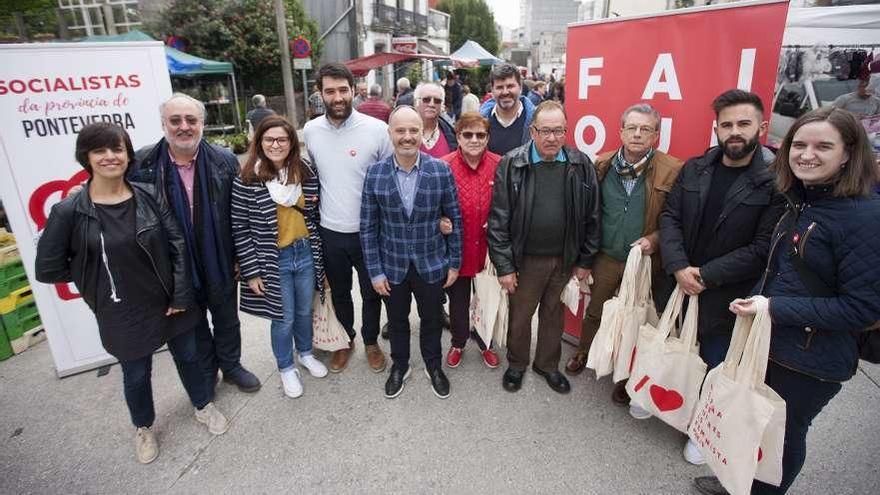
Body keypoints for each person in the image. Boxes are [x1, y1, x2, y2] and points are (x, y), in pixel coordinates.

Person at [693, 108, 880, 495]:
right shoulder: (803, 202)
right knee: (754, 427)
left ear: (848, 153)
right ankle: (738, 483)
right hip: (773, 345)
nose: (807, 154)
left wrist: (772, 307)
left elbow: (863, 309)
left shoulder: (865, 218)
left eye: (823, 146)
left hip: (811, 360)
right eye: (799, 144)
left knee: (781, 437)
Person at [35, 123, 229, 465]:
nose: (110, 156)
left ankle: (202, 405)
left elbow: (177, 245)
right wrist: (97, 284)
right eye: (100, 150)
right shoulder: (69, 211)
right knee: (136, 374)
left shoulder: (148, 195)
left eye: (117, 149)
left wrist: (180, 295)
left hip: (170, 301)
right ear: (86, 157)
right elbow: (49, 268)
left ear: (128, 155)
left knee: (189, 357)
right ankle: (143, 427)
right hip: (121, 311)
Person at [659, 89, 784, 465]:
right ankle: (664, 403)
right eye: (726, 124)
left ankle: (702, 429)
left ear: (761, 127)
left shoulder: (775, 182)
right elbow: (669, 218)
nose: (734, 131)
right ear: (716, 128)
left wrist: (706, 275)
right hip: (679, 281)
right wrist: (680, 266)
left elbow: (764, 247)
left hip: (726, 293)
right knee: (676, 347)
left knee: (717, 365)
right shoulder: (695, 168)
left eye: (743, 123)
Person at [128, 93, 262, 394]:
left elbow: (237, 213)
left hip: (219, 255)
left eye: (191, 120)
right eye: (175, 120)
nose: (184, 126)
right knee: (192, 323)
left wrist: (241, 256)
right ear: (164, 124)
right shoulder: (142, 163)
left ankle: (231, 366)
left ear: (203, 123)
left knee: (227, 318)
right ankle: (206, 371)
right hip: (174, 262)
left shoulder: (224, 160)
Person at [564, 104, 683, 406]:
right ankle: (584, 351)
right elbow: (588, 213)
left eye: (645, 129)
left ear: (656, 134)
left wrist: (654, 241)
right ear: (621, 131)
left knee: (640, 321)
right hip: (607, 256)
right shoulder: (601, 164)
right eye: (632, 128)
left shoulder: (673, 169)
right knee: (596, 312)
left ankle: (628, 376)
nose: (637, 134)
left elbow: (677, 219)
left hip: (646, 262)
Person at [488, 101, 600, 394]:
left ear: (566, 131)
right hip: (525, 260)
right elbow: (498, 219)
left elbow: (593, 215)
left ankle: (547, 365)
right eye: (545, 131)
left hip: (565, 258)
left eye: (559, 131)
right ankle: (517, 363)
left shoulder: (580, 163)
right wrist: (505, 266)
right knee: (521, 315)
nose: (552, 138)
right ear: (533, 131)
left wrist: (585, 260)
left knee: (554, 315)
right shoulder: (512, 162)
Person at [360, 106, 463, 399]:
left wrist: (453, 263)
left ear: (422, 133)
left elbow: (453, 220)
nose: (407, 137)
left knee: (431, 320)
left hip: (431, 264)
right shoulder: (375, 174)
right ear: (390, 133)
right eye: (400, 130)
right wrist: (375, 271)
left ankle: (433, 366)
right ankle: (400, 365)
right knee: (397, 321)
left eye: (413, 131)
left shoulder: (440, 170)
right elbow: (368, 227)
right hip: (391, 267)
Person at [302, 63, 393, 373]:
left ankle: (370, 341)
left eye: (343, 90)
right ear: (320, 94)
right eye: (330, 91)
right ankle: (345, 340)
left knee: (371, 292)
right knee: (339, 291)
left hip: (369, 232)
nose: (337, 97)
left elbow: (389, 179)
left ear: (354, 91)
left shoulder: (377, 130)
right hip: (331, 231)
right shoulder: (311, 131)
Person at [230, 116, 328, 399]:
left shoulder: (305, 171)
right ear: (259, 142)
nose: (276, 144)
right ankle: (286, 367)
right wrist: (251, 271)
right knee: (282, 317)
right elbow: (239, 227)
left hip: (305, 251)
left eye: (282, 139)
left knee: (303, 311)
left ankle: (306, 353)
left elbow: (314, 215)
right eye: (269, 139)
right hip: (273, 259)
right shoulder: (247, 179)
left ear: (292, 143)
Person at [440, 112, 502, 369]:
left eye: (480, 135)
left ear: (488, 138)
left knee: (488, 298)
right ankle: (458, 341)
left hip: (488, 250)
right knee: (458, 300)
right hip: (457, 249)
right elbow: (430, 205)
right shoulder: (443, 165)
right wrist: (438, 221)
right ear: (458, 136)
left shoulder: (500, 164)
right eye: (468, 134)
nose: (474, 140)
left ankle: (486, 342)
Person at [480, 63, 537, 157]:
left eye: (510, 86)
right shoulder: (481, 119)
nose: (505, 92)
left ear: (520, 87)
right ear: (492, 91)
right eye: (499, 87)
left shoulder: (536, 119)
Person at [415, 82, 458, 158]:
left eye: (437, 101)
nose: (431, 104)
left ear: (442, 105)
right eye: (426, 99)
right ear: (416, 103)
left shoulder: (452, 136)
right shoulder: (402, 133)